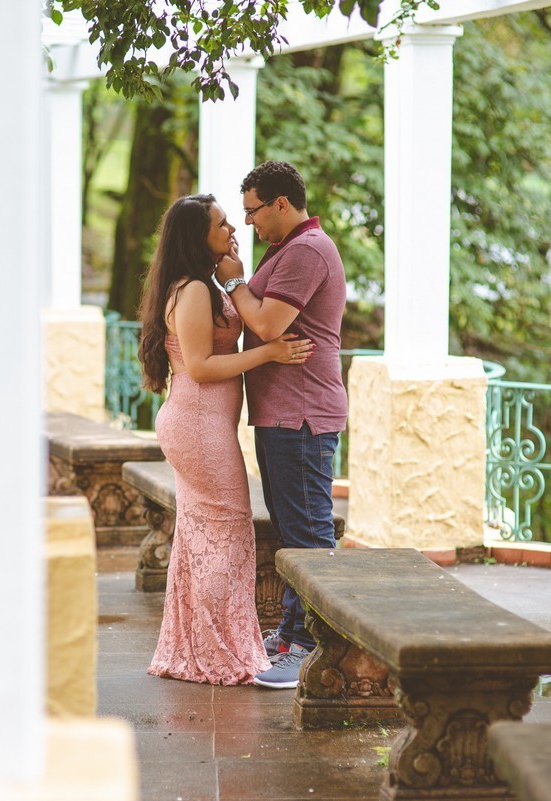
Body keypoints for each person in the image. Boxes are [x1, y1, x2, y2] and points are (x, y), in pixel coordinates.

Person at [139, 193, 315, 685]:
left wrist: (234, 279)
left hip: (204, 425)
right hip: (197, 425)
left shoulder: (204, 284)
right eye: (221, 225)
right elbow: (199, 366)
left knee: (202, 536)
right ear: (198, 237)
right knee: (229, 532)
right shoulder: (193, 290)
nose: (233, 229)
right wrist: (271, 353)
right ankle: (218, 651)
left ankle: (197, 647)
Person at [215, 161, 348, 690]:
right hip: (283, 412)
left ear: (281, 204)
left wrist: (236, 282)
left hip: (302, 414)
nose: (248, 224)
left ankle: (317, 648)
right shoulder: (288, 249)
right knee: (293, 533)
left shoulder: (306, 251)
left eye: (252, 212)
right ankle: (294, 634)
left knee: (309, 534)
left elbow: (268, 323)